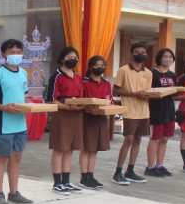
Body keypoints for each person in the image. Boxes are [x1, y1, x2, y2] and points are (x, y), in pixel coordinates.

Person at [0, 39, 34, 204]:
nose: (16, 55)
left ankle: (14, 193)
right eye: (12, 52)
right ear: (4, 55)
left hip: (20, 124)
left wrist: (30, 105)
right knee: (1, 157)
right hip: (2, 123)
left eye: (19, 52)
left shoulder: (23, 73)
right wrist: (5, 108)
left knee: (16, 157)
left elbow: (23, 95)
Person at [46, 46, 85, 195]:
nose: (73, 60)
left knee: (70, 149)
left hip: (76, 114)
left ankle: (66, 181)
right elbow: (51, 99)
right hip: (62, 113)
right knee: (60, 148)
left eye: (75, 58)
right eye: (69, 58)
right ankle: (57, 183)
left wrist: (82, 105)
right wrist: (67, 107)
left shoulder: (78, 77)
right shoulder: (56, 76)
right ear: (62, 59)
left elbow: (81, 96)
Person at [112, 43, 152, 185]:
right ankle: (118, 172)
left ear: (146, 55)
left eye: (143, 52)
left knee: (138, 140)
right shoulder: (123, 70)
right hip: (129, 110)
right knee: (128, 139)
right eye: (137, 52)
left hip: (144, 110)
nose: (140, 54)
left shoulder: (148, 73)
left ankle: (130, 170)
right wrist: (134, 94)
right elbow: (116, 90)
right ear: (132, 53)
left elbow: (148, 91)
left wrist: (147, 96)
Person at [79, 55, 112, 190]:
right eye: (97, 65)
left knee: (95, 148)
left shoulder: (106, 83)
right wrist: (88, 107)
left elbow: (110, 100)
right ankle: (84, 177)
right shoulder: (84, 82)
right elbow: (80, 100)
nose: (100, 68)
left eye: (102, 65)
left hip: (101, 118)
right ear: (91, 67)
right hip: (88, 118)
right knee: (87, 147)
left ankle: (91, 174)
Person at [145, 48, 177, 178]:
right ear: (159, 58)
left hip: (169, 110)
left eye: (170, 56)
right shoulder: (153, 73)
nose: (168, 59)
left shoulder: (172, 75)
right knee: (155, 138)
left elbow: (175, 92)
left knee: (164, 138)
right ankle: (150, 167)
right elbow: (148, 90)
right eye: (165, 56)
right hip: (157, 110)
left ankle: (159, 165)